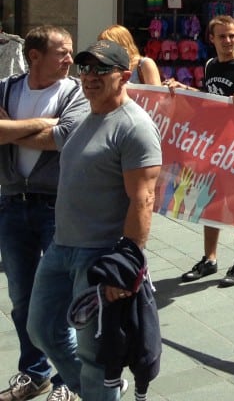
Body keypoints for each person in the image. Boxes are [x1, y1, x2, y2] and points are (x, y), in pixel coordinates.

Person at [26, 40, 162, 401]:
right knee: (40, 330)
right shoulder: (87, 116)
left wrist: (125, 267)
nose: (90, 77)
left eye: (102, 69)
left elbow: (144, 199)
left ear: (124, 77)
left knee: (94, 355)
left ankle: (98, 387)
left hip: (99, 257)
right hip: (61, 247)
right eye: (85, 69)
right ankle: (93, 389)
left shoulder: (135, 127)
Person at [0, 27, 89, 401]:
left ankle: (70, 380)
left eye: (70, 52)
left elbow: (65, 137)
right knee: (21, 298)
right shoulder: (5, 87)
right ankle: (35, 372)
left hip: (56, 206)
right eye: (62, 53)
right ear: (34, 56)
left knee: (57, 301)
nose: (71, 59)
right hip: (10, 203)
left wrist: (9, 130)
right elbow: (50, 132)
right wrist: (43, 124)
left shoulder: (75, 92)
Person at [170, 15, 234, 288]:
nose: (228, 41)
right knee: (208, 201)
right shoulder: (211, 65)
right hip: (212, 147)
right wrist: (185, 89)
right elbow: (209, 100)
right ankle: (209, 258)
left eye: (232, 36)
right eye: (222, 36)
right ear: (211, 39)